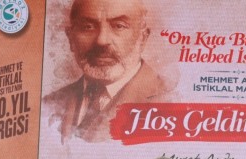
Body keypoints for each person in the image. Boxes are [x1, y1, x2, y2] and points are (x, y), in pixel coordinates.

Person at [43, 0, 174, 143]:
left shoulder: (170, 101)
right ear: (70, 38)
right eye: (88, 27)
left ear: (142, 38)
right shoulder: (49, 104)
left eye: (119, 26)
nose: (101, 40)